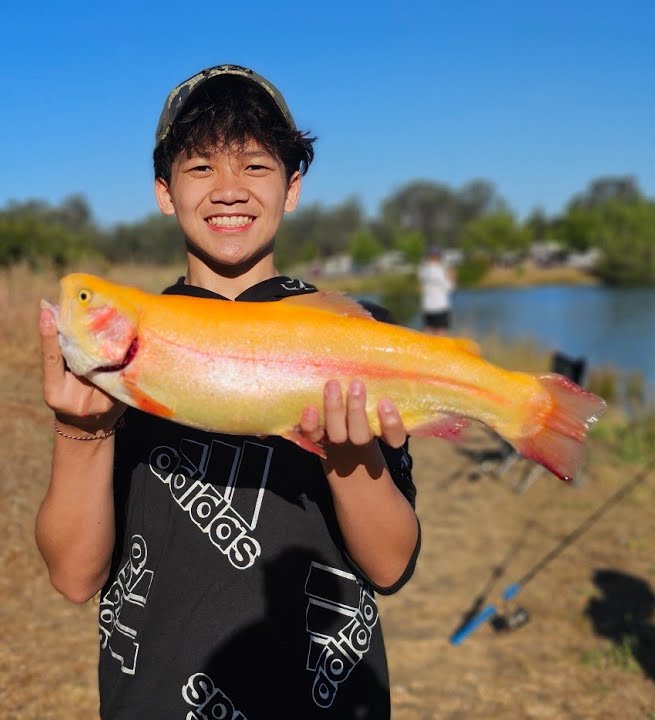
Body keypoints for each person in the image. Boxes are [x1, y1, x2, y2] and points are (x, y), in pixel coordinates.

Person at [34, 64, 420, 718]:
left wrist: (346, 458)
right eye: (200, 168)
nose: (230, 189)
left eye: (257, 167)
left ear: (293, 188)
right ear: (164, 191)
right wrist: (82, 435)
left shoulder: (352, 331)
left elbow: (388, 566)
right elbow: (75, 578)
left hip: (325, 698)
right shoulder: (127, 339)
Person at [418, 246, 455, 335]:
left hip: (427, 306)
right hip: (440, 306)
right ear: (439, 257)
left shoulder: (423, 270)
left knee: (428, 332)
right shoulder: (440, 270)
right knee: (441, 333)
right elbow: (450, 287)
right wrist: (451, 276)